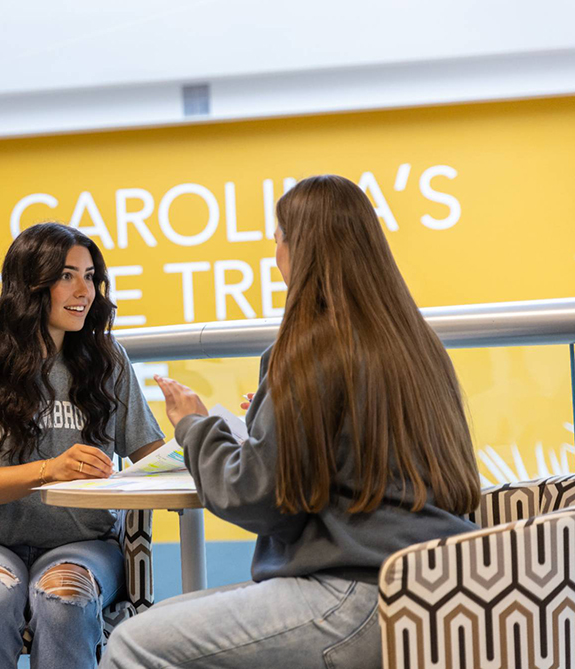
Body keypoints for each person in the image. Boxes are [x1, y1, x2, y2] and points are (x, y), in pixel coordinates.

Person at [100, 174, 481, 669]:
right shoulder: (414, 345)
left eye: (277, 239)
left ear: (298, 249)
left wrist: (195, 426)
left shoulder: (309, 350)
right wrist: (276, 412)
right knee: (170, 623)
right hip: (437, 589)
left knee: (133, 643)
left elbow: (259, 498)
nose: (275, 253)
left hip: (358, 595)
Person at [0, 221, 165, 669]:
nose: (85, 290)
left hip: (84, 543)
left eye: (90, 276)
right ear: (30, 285)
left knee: (63, 601)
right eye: (67, 276)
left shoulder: (107, 361)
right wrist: (50, 470)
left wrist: (203, 435)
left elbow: (150, 457)